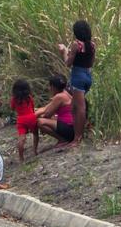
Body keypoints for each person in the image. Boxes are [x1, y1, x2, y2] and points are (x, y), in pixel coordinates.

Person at [60, 19, 94, 147]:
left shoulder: (76, 45)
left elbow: (68, 63)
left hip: (78, 77)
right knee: (74, 107)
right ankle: (79, 133)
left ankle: (78, 138)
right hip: (87, 76)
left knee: (79, 108)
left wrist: (64, 51)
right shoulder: (92, 45)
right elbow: (91, 63)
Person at [36, 74, 75, 151]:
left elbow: (47, 114)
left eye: (50, 86)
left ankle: (62, 139)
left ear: (53, 87)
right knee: (51, 118)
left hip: (69, 129)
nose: (49, 89)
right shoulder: (66, 92)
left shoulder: (59, 97)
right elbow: (47, 108)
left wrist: (42, 125)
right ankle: (64, 138)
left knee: (39, 122)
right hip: (72, 127)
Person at [10, 78, 39, 162]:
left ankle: (21, 157)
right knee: (35, 134)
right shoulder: (29, 97)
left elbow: (12, 108)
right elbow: (33, 107)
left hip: (21, 119)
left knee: (22, 138)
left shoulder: (14, 99)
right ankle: (35, 150)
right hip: (31, 117)